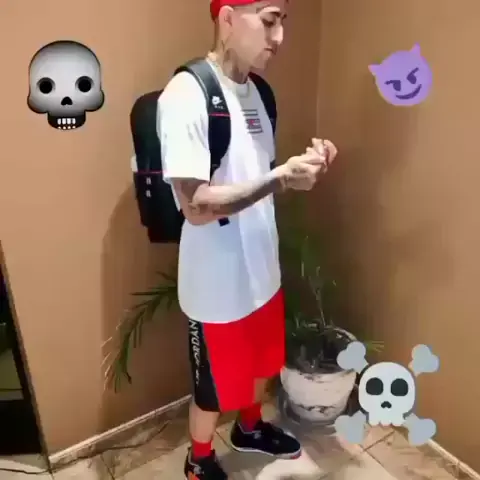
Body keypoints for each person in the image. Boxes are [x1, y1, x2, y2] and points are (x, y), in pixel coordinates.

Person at [158, 0, 338, 478]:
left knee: (262, 363)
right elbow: (196, 207)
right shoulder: (187, 94)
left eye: (283, 24)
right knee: (213, 388)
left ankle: (250, 429)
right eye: (270, 20)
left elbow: (255, 175)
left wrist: (302, 169)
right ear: (227, 18)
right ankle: (199, 459)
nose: (279, 38)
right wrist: (279, 178)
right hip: (216, 283)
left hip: (262, 268)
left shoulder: (260, 94)